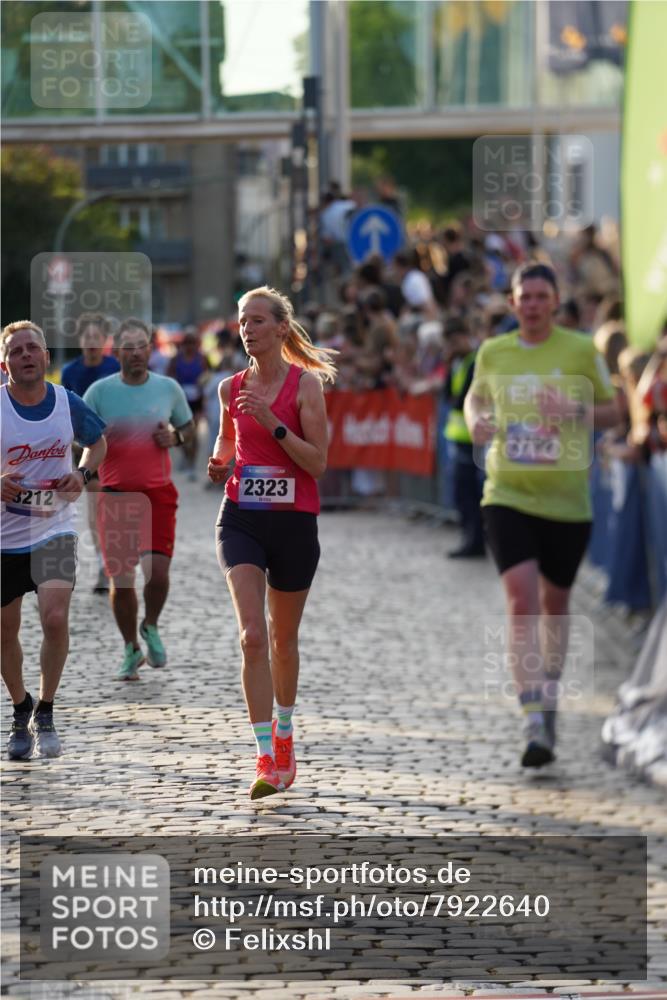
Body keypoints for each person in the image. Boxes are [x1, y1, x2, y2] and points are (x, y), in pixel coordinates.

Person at [464, 263, 618, 768]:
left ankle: (547, 696)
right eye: (523, 296)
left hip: (568, 502)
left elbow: (615, 412)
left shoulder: (579, 350)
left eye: (539, 296)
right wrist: (476, 421)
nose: (530, 304)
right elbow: (474, 398)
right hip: (507, 493)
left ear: (554, 301)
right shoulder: (494, 352)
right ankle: (532, 714)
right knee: (521, 600)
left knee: (556, 603)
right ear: (512, 304)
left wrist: (574, 413)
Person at [208, 286, 336, 799]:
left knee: (283, 641)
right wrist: (220, 462)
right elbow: (228, 441)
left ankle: (285, 731)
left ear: (282, 328)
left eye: (258, 320)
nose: (248, 328)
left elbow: (318, 463)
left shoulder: (305, 388)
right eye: (243, 320)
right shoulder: (229, 388)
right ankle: (264, 755)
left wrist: (272, 422)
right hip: (241, 518)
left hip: (294, 523)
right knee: (252, 637)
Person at [1, 321, 106, 759]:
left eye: (33, 348)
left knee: (55, 618)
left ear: (46, 357)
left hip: (54, 528)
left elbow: (98, 442)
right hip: (4, 538)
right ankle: (19, 706)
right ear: (5, 363)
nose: (26, 355)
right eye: (17, 350)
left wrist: (82, 474)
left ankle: (45, 709)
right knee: (5, 632)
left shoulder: (67, 402)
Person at [83, 318, 194, 680]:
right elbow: (81, 438)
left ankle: (151, 624)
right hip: (115, 495)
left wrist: (174, 439)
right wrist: (92, 455)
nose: (135, 353)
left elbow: (188, 429)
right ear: (117, 353)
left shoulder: (168, 388)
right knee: (122, 580)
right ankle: (131, 647)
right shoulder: (99, 392)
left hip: (158, 492)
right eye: (127, 347)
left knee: (158, 574)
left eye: (141, 345)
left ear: (151, 349)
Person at [61, 313, 120, 592]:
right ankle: (101, 564)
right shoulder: (70, 372)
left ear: (104, 341)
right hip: (84, 446)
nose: (92, 342)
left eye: (97, 337)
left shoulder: (114, 367)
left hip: (117, 446)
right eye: (87, 337)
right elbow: (65, 411)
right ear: (80, 341)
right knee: (96, 506)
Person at [443, 319, 485, 558]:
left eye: (455, 340)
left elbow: (462, 399)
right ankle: (469, 539)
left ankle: (476, 541)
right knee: (462, 493)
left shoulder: (475, 361)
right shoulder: (457, 363)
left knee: (471, 494)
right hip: (458, 436)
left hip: (473, 437)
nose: (452, 346)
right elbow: (447, 393)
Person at [167, 328, 208, 481]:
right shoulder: (175, 359)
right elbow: (169, 378)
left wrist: (203, 397)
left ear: (197, 344)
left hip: (196, 401)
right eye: (187, 343)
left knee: (194, 433)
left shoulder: (202, 358)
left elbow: (208, 378)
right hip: (181, 401)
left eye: (193, 343)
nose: (190, 346)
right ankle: (186, 455)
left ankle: (192, 464)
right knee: (181, 433)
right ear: (182, 344)